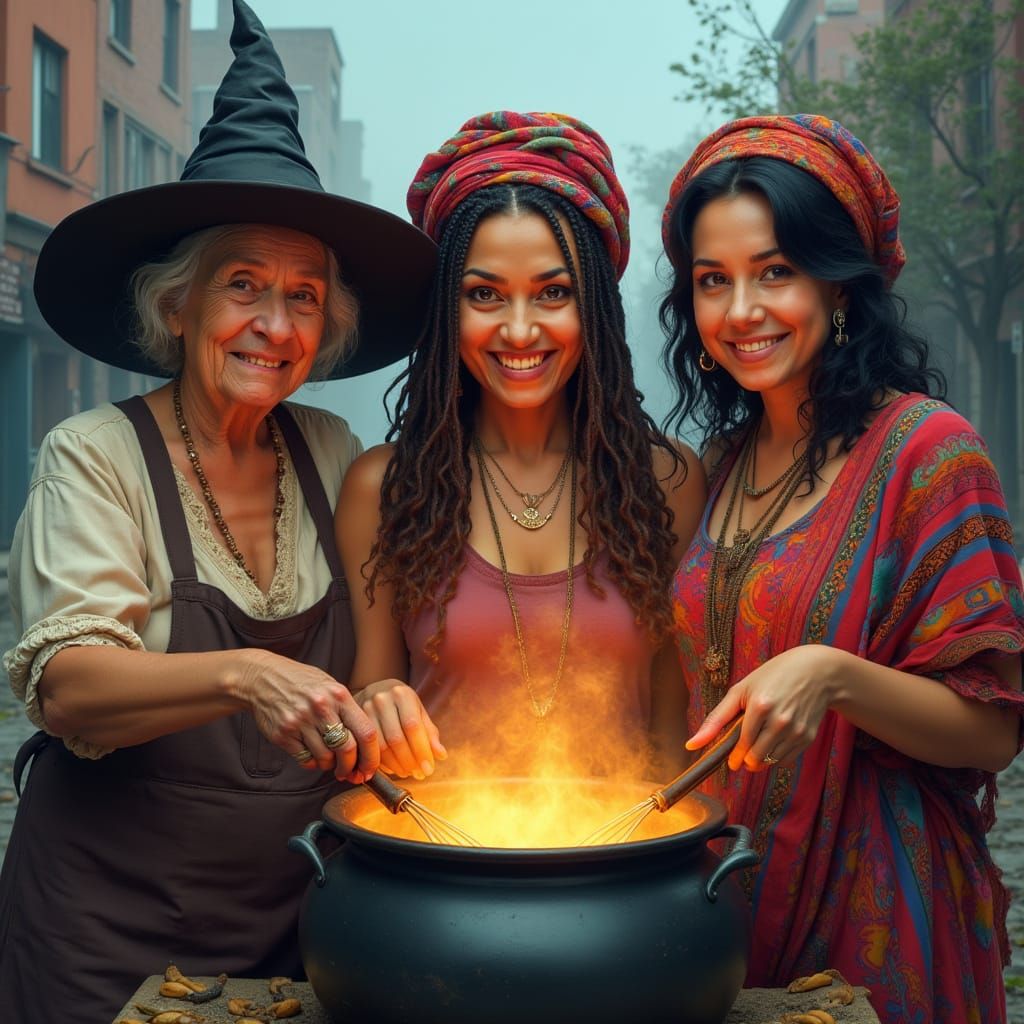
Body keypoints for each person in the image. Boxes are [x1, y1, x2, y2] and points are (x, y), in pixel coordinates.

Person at [0, 3, 435, 1019]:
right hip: (103, 932)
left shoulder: (332, 453)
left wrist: (380, 705)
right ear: (176, 303)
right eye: (243, 286)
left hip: (291, 920)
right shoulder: (94, 452)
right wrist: (245, 671)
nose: (274, 326)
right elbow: (67, 690)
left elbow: (374, 664)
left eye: (304, 297)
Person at [660, 113, 1024, 1024]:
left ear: (840, 284)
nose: (741, 311)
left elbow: (993, 734)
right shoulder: (724, 460)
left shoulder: (928, 453)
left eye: (774, 272)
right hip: (728, 892)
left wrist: (834, 676)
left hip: (881, 905)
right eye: (714, 281)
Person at [337, 111, 706, 787]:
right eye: (484, 295)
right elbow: (370, 695)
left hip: (622, 867)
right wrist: (373, 708)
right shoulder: (382, 488)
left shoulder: (667, 480)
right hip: (439, 865)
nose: (518, 329)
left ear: (594, 306)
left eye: (552, 293)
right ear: (447, 310)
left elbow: (668, 722)